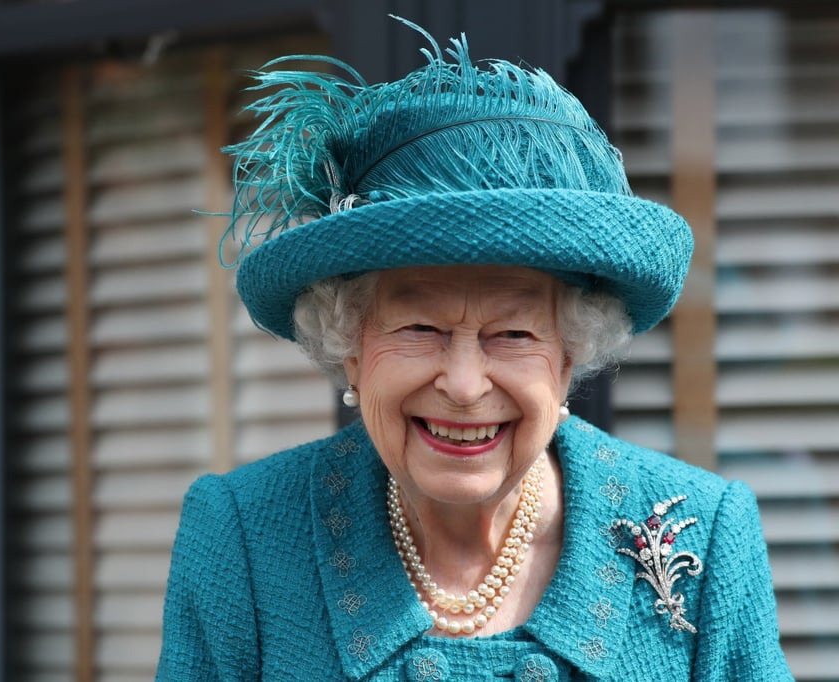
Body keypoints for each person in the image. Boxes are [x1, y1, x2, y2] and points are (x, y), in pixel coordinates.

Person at [156, 19, 792, 681]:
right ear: (349, 345)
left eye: (513, 335)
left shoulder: (702, 537)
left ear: (570, 355)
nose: (463, 384)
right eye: (420, 329)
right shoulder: (242, 538)